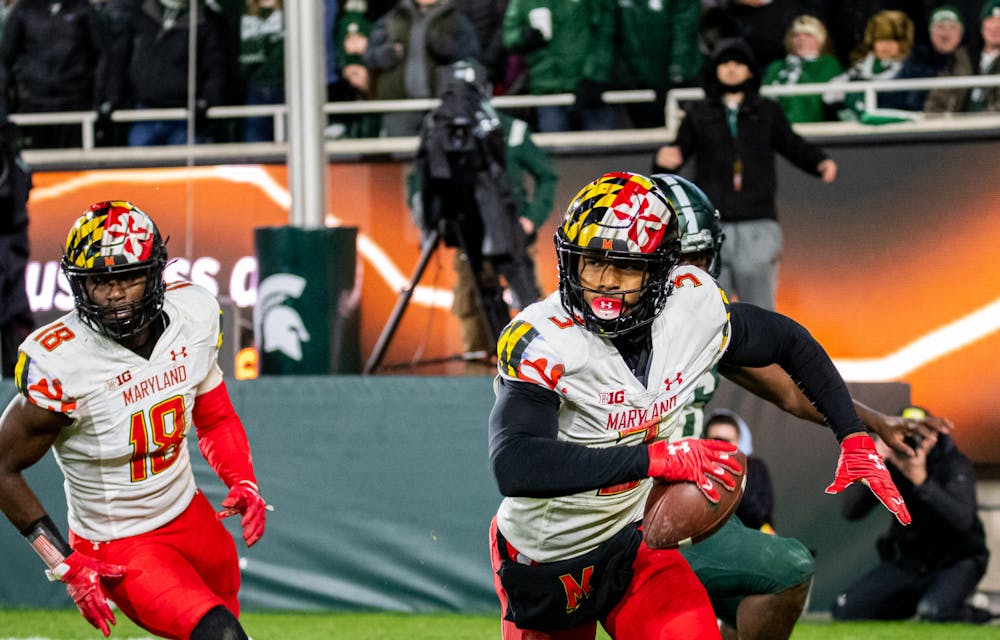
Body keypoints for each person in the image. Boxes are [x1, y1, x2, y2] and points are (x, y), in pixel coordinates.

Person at [487, 171, 909, 639]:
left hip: (632, 543)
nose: (604, 284)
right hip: (547, 555)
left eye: (625, 267)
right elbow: (516, 464)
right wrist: (657, 458)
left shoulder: (689, 309)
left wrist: (852, 433)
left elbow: (789, 342)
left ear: (661, 271)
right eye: (590, 264)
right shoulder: (545, 338)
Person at [650, 171, 949, 640]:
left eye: (699, 260)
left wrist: (872, 422)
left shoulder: (705, 320)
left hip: (681, 506)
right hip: (613, 508)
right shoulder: (596, 331)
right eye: (679, 260)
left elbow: (790, 386)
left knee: (787, 567)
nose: (691, 276)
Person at [0, 201, 268, 638]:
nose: (115, 293)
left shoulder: (192, 314)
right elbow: (2, 466)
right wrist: (62, 561)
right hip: (120, 542)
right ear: (78, 285)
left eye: (127, 276)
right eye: (100, 281)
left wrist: (243, 479)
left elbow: (215, 417)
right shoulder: (61, 362)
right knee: (221, 635)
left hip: (191, 517)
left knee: (226, 628)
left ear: (155, 274)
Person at [652, 37, 837, 311]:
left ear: (750, 70)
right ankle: (718, 356)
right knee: (713, 305)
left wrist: (819, 161)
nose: (731, 69)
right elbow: (676, 155)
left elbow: (792, 144)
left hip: (758, 221)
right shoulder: (699, 113)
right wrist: (661, 162)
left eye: (738, 63)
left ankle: (762, 355)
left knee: (760, 307)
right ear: (714, 70)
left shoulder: (767, 111)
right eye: (724, 63)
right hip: (712, 226)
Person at [831, 406, 993, 623]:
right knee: (846, 611)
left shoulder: (954, 463)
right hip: (907, 563)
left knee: (934, 612)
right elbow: (850, 511)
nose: (910, 443)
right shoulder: (890, 464)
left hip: (954, 562)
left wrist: (921, 480)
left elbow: (962, 520)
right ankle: (910, 602)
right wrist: (875, 459)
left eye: (917, 435)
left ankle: (972, 611)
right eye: (904, 435)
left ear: (933, 437)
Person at [105, 0, 231, 146]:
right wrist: (113, 97)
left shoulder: (208, 21)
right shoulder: (138, 13)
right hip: (145, 112)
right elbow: (118, 60)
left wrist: (208, 101)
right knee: (141, 166)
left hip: (189, 117)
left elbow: (217, 67)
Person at [363, 0, 480, 136]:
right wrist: (385, 55)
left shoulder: (455, 18)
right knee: (402, 153)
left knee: (439, 154)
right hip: (399, 105)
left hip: (442, 104)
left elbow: (473, 59)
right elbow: (369, 57)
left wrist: (450, 49)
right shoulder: (392, 18)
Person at [0, 0, 105, 149]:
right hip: (34, 103)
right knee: (38, 159)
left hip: (76, 102)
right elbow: (5, 57)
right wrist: (4, 99)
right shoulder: (24, 10)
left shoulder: (82, 8)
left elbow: (103, 54)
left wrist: (102, 97)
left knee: (75, 160)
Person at [501, 0, 619, 132]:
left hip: (591, 88)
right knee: (557, 148)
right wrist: (524, 37)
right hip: (548, 90)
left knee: (600, 147)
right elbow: (509, 35)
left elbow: (605, 32)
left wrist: (596, 75)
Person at [615, 0, 702, 128]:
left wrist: (677, 73)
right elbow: (609, 30)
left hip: (676, 82)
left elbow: (685, 31)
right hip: (635, 82)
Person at [823, 10, 915, 121]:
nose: (886, 46)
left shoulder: (910, 69)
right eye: (881, 40)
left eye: (892, 40)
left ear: (902, 43)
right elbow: (830, 94)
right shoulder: (860, 68)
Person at [703, 409, 775, 533]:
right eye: (716, 440)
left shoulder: (753, 468)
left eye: (727, 442)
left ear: (738, 442)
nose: (721, 447)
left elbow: (759, 512)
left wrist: (732, 475)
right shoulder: (697, 468)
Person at [763, 15, 843, 123]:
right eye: (796, 35)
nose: (801, 39)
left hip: (814, 126)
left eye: (808, 35)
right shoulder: (777, 66)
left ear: (819, 40)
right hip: (777, 127)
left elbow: (817, 99)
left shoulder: (828, 64)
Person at [895, 6, 973, 113]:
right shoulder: (915, 62)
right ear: (931, 32)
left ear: (961, 33)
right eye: (940, 27)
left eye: (952, 27)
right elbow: (894, 98)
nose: (945, 34)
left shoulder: (972, 60)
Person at [239, 0, 285, 142]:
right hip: (254, 88)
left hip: (286, 87)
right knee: (256, 144)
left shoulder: (292, 14)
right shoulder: (239, 14)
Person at [967, 0, 1000, 112]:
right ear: (982, 26)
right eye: (991, 20)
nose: (996, 27)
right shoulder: (964, 56)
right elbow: (941, 97)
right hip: (956, 123)